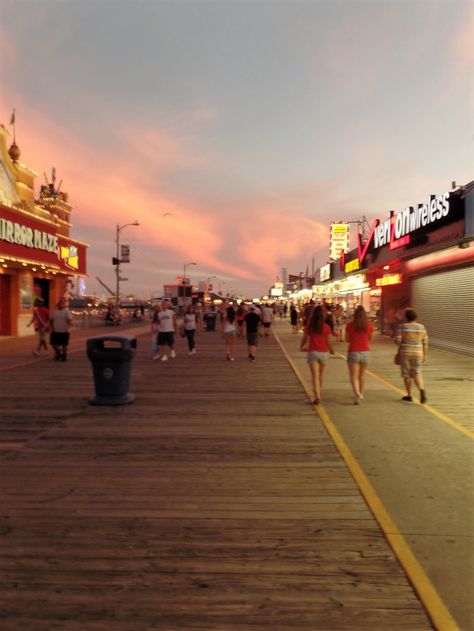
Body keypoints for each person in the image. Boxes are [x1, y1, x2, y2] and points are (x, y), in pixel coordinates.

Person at [300, 304, 335, 404]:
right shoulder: (327, 327)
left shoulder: (310, 326)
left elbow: (305, 337)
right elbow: (328, 341)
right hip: (324, 353)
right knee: (320, 375)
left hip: (313, 352)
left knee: (314, 376)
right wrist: (331, 350)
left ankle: (317, 396)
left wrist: (301, 346)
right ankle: (318, 393)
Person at [395, 308, 428, 403]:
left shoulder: (402, 327)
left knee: (407, 375)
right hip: (418, 353)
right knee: (417, 373)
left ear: (405, 317)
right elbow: (425, 342)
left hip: (405, 353)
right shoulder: (421, 327)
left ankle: (409, 395)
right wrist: (425, 355)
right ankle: (422, 391)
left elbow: (398, 341)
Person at [345, 305, 373, 404]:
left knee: (354, 376)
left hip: (353, 351)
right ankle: (360, 394)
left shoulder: (350, 325)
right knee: (362, 375)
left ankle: (357, 393)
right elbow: (369, 339)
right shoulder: (369, 326)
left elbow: (347, 339)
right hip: (365, 351)